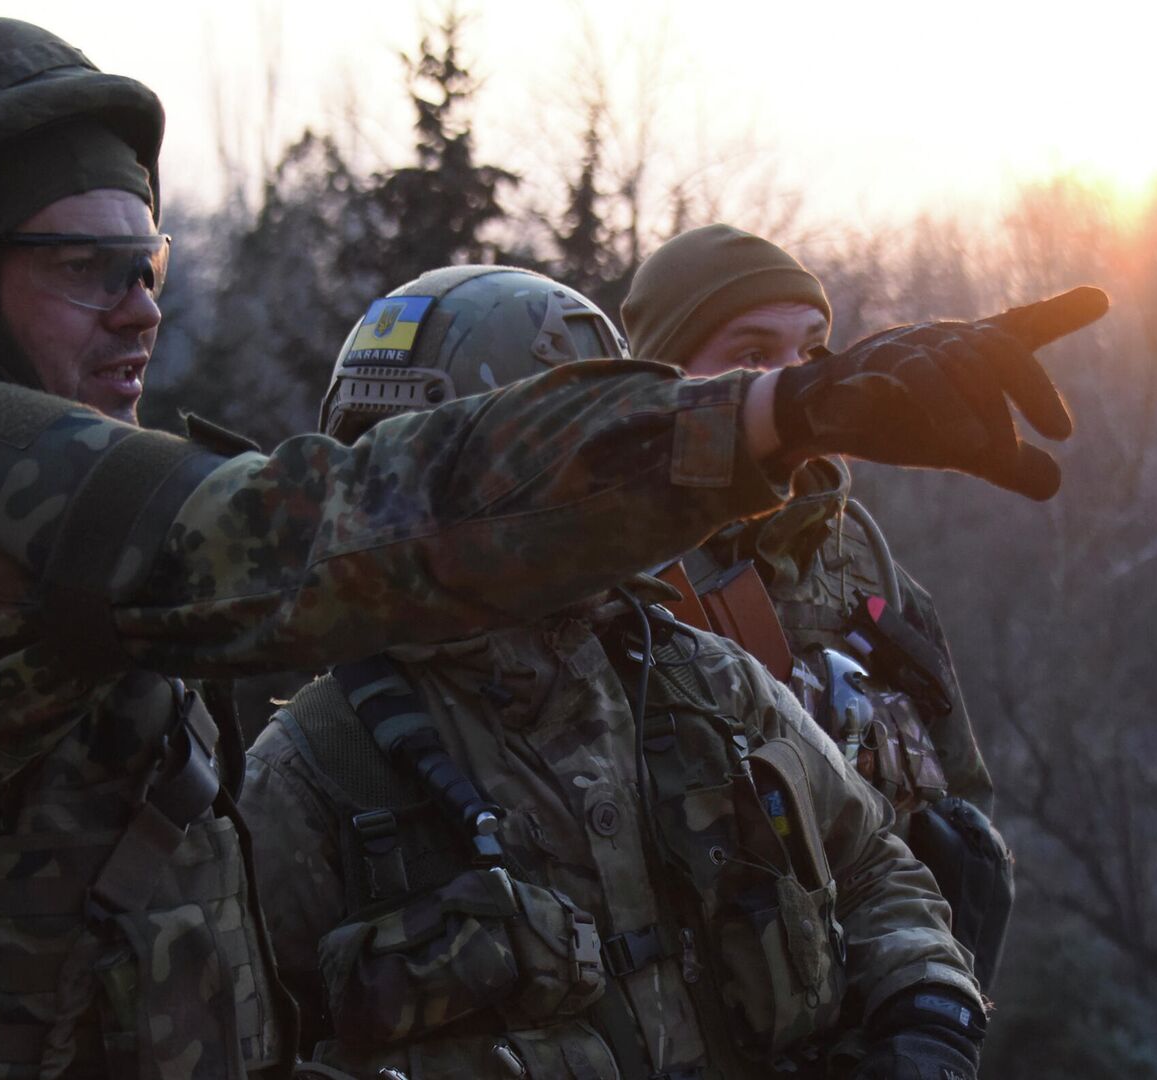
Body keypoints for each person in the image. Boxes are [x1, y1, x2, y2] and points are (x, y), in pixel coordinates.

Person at [0, 17, 1101, 1079]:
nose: (139, 306)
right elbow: (319, 530)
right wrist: (770, 416)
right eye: (84, 265)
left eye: (147, 262)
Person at [241, 266, 993, 1080]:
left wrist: (927, 1025)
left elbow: (875, 866)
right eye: (562, 465)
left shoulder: (700, 681)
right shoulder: (315, 774)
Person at [623, 224, 1015, 987]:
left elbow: (963, 794)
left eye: (808, 352)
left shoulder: (868, 572)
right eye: (749, 356)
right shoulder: (616, 574)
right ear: (664, 374)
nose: (793, 381)